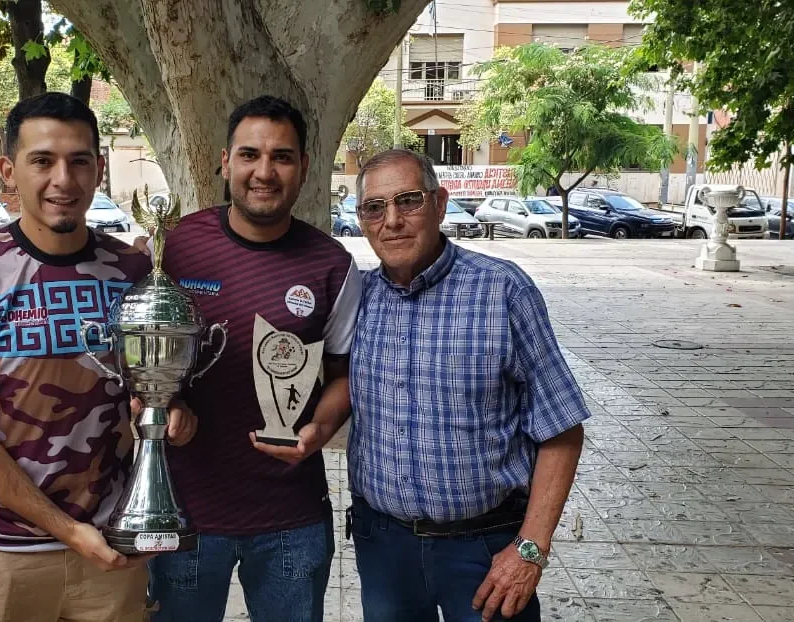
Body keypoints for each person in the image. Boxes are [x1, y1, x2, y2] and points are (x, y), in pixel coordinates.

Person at [0, 91, 196, 622]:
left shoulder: (136, 274)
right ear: (9, 170)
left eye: (78, 161)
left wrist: (171, 415)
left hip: (113, 547)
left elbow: (150, 394)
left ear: (98, 170)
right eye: (42, 161)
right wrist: (68, 530)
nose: (62, 181)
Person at [346, 149, 590, 622]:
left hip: (484, 550)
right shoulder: (359, 298)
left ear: (439, 203)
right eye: (374, 208)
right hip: (386, 550)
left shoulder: (501, 290)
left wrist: (530, 550)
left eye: (408, 201)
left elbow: (561, 428)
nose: (391, 221)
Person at [146, 95, 362, 622]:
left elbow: (345, 374)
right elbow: (142, 359)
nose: (264, 172)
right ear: (225, 162)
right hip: (183, 513)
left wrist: (320, 427)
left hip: (291, 519)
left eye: (282, 157)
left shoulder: (333, 265)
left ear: (304, 168)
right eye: (249, 155)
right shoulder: (173, 248)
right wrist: (153, 407)